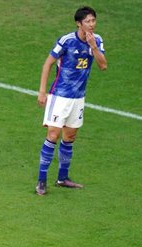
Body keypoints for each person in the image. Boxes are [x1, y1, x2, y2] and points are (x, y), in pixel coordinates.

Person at [35, 6, 107, 195]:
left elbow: (103, 65)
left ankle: (62, 178)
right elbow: (47, 64)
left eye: (93, 21)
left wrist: (92, 47)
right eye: (88, 22)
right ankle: (41, 180)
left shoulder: (97, 41)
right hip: (60, 96)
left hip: (78, 98)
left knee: (70, 137)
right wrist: (42, 92)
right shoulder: (66, 41)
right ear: (79, 23)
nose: (91, 25)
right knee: (52, 135)